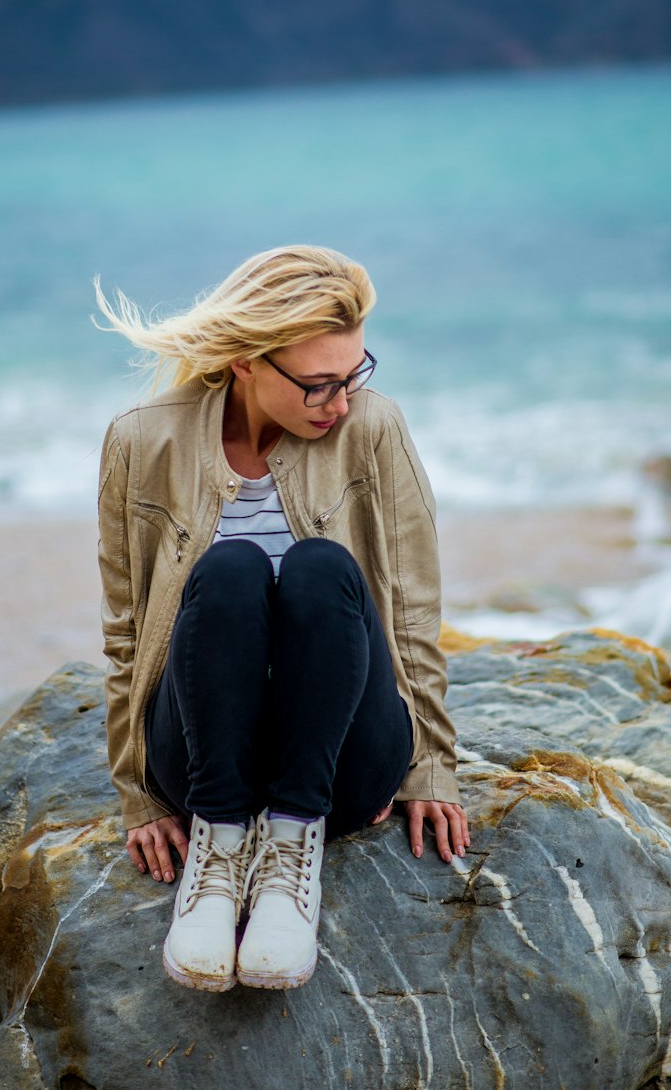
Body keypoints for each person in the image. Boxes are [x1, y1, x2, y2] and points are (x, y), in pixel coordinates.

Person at [95, 245, 469, 994]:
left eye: (355, 374)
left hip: (341, 764)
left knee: (322, 567)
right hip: (202, 760)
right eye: (320, 385)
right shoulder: (141, 440)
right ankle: (220, 850)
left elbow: (412, 608)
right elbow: (127, 632)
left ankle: (291, 854)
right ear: (244, 363)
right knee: (229, 571)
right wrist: (138, 790)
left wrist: (432, 765)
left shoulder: (374, 430)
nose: (341, 403)